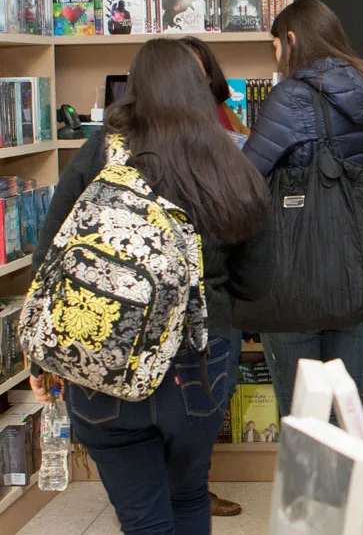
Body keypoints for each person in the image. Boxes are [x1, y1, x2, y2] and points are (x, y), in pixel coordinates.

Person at [28, 39, 272, 535]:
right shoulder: (231, 163)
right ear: (204, 88)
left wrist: (42, 355)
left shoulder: (101, 152)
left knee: (142, 519)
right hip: (199, 360)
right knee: (187, 496)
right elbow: (256, 282)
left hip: (102, 355)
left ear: (133, 91)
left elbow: (53, 249)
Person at [243, 0, 363, 417]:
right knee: (349, 417)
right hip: (358, 272)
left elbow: (245, 181)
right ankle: (351, 485)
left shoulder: (291, 97)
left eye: (275, 46)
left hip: (296, 274)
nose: (276, 58)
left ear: (292, 39)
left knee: (306, 422)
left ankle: (314, 486)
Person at [178, 34, 248, 518]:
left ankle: (194, 489)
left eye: (200, 70)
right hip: (158, 298)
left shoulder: (222, 119)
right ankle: (174, 494)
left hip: (216, 295)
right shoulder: (125, 138)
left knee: (207, 403)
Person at [180, 36, 250, 136]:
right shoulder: (163, 120)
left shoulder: (222, 109)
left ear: (210, 77)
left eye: (196, 72)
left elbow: (245, 141)